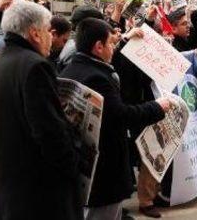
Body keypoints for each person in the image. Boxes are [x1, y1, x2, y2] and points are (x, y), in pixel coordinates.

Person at [60, 18, 171, 220]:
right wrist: (157, 107)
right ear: (98, 46)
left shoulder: (73, 68)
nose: (114, 48)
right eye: (111, 43)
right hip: (103, 170)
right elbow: (120, 116)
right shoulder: (97, 77)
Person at [0, 1, 84, 219]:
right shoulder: (35, 66)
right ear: (35, 33)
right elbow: (49, 132)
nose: (51, 38)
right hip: (36, 195)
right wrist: (74, 163)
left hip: (6, 190)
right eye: (49, 31)